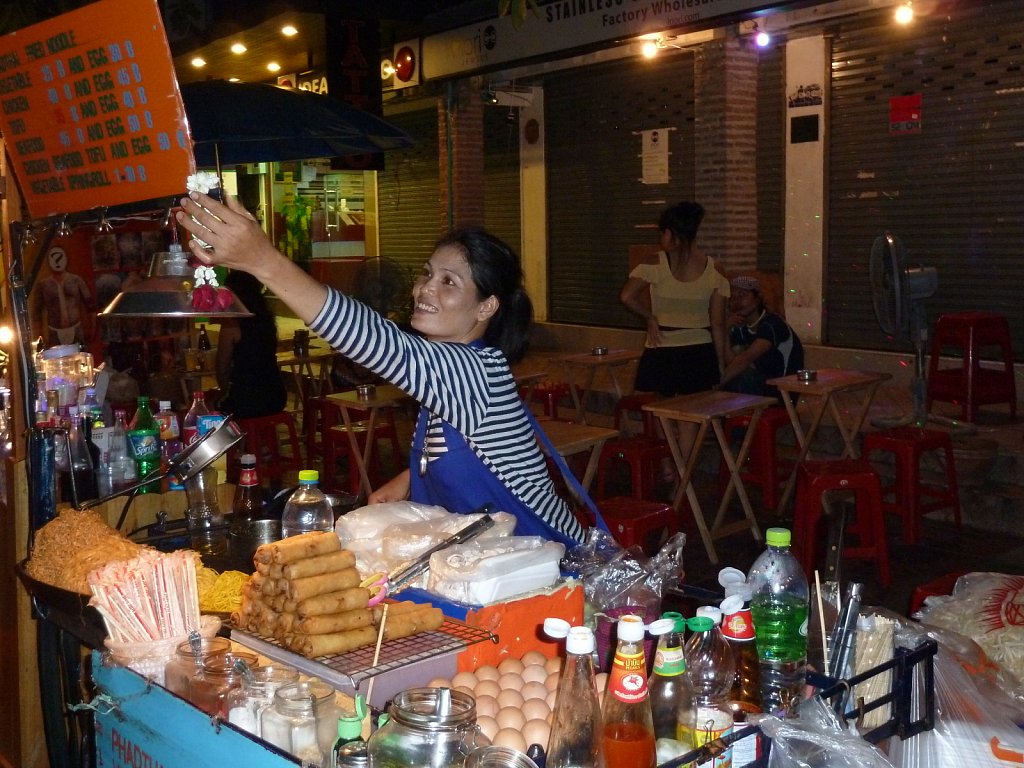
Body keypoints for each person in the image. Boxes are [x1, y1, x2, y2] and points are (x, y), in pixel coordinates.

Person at [177, 191, 585, 547]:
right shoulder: (450, 372)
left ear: (486, 307)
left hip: (550, 563)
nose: (425, 289)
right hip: (493, 563)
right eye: (427, 274)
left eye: (449, 282)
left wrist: (263, 260)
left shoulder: (472, 371)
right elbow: (478, 451)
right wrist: (410, 478)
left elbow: (374, 339)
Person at [619, 201, 730, 397]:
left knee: (663, 416)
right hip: (699, 350)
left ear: (669, 233)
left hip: (663, 348)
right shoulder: (715, 269)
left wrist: (649, 317)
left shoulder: (655, 263)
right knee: (691, 414)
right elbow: (718, 323)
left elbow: (627, 296)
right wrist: (720, 362)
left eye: (662, 233)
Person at [214, 270, 288, 419]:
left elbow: (222, 368)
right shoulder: (267, 319)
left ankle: (238, 442)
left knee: (209, 407)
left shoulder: (232, 324)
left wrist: (224, 391)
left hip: (247, 399)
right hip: (276, 395)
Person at [721, 275, 804, 401]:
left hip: (781, 392)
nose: (737, 301)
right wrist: (725, 332)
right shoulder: (740, 328)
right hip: (758, 386)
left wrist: (717, 384)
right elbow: (732, 363)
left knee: (742, 378)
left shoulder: (772, 324)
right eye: (733, 298)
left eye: (742, 295)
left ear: (758, 298)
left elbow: (745, 359)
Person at [33, 246, 94, 347]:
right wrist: (39, 335)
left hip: (76, 328)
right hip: (54, 331)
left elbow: (90, 306)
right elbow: (37, 313)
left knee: (81, 360)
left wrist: (92, 329)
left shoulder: (76, 280)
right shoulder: (43, 284)